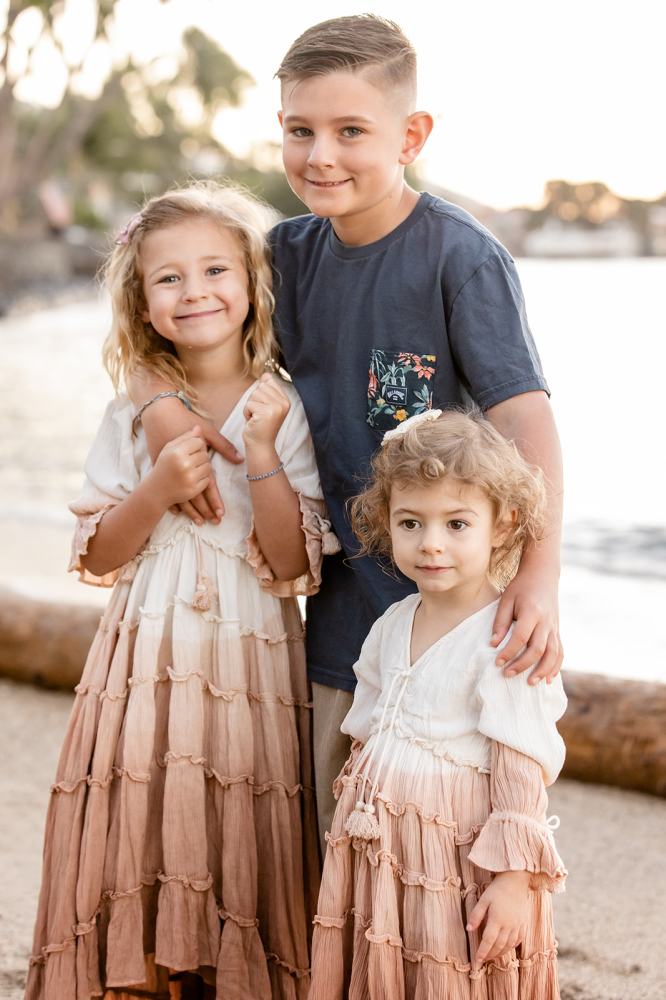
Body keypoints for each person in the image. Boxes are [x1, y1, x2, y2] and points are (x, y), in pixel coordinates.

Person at [128, 14, 564, 850]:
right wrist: (157, 405)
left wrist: (538, 578)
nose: (320, 156)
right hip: (337, 620)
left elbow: (526, 418)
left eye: (350, 131)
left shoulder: (458, 257)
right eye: (301, 131)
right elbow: (159, 327)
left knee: (451, 844)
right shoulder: (283, 257)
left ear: (412, 134)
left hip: (453, 611)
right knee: (340, 841)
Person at [25, 183, 336, 1000]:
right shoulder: (132, 417)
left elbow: (294, 562)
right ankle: (142, 974)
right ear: (142, 299)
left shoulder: (284, 406)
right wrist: (157, 488)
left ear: (252, 284)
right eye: (168, 278)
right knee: (146, 806)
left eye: (214, 270)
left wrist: (261, 453)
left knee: (238, 809)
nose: (194, 291)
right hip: (146, 653)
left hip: (249, 653)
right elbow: (100, 554)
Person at [309, 408, 567, 999]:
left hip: (456, 851)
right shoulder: (393, 622)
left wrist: (512, 881)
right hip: (386, 845)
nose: (430, 544)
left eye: (456, 524)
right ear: (385, 524)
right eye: (410, 523)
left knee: (451, 966)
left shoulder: (506, 638)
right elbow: (369, 730)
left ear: (502, 526)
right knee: (390, 967)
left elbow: (519, 767)